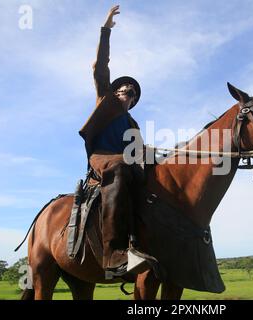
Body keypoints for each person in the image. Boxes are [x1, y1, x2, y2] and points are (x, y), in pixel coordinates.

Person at [79, 5, 149, 277]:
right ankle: (114, 254)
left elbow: (141, 152)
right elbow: (101, 65)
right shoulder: (105, 101)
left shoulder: (133, 124)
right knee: (120, 167)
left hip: (125, 161)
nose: (129, 95)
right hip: (102, 157)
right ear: (115, 90)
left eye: (133, 95)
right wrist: (106, 30)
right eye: (126, 90)